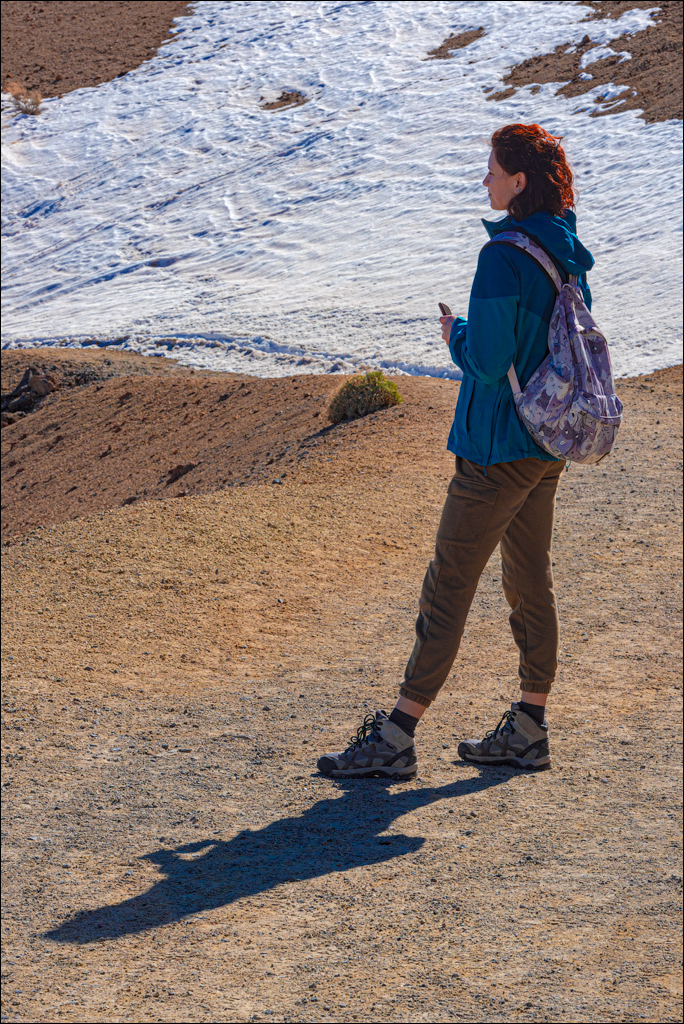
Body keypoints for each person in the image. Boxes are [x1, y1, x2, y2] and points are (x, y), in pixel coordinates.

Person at [317, 123, 594, 778]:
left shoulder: (501, 257)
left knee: (449, 585)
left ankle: (395, 738)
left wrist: (456, 333)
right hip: (544, 441)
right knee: (529, 579)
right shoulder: (567, 250)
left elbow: (491, 360)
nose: (485, 179)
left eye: (492, 169)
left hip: (495, 448)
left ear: (518, 182)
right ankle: (529, 727)